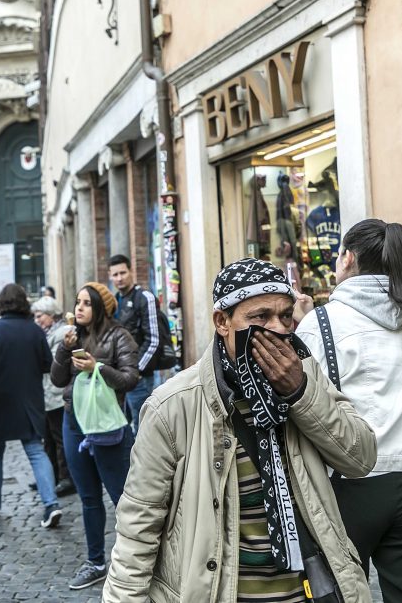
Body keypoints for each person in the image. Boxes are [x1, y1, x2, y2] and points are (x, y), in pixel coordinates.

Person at [103, 258, 377, 603]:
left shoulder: (305, 374)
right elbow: (138, 525)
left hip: (305, 591)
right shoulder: (173, 406)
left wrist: (300, 393)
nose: (277, 328)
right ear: (222, 321)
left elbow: (360, 457)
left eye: (285, 316)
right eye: (260, 317)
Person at [295, 219, 402, 602]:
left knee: (338, 593)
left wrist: (304, 325)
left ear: (347, 258)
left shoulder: (323, 323)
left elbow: (305, 401)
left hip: (350, 485)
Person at [51, 282, 139, 590]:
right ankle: (96, 561)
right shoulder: (73, 337)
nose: (79, 308)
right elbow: (57, 379)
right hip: (73, 422)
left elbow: (130, 379)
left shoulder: (119, 336)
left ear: (100, 307)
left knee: (122, 498)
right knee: (88, 497)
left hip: (106, 424)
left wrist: (97, 366)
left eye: (86, 303)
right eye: (77, 302)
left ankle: (138, 560)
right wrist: (64, 348)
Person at [0, 284, 62, 527]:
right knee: (35, 450)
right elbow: (47, 364)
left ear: (1, 304)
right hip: (29, 399)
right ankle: (51, 503)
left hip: (0, 400)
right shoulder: (34, 331)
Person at [108, 254, 168, 434]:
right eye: (115, 274)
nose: (119, 278)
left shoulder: (145, 297)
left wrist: (136, 370)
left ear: (131, 271)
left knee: (143, 431)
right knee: (122, 429)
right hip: (119, 378)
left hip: (139, 378)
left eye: (122, 273)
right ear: (110, 276)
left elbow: (154, 339)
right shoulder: (114, 301)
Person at [31, 296, 75, 496]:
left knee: (59, 438)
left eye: (40, 316)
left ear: (51, 315)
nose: (37, 320)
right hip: (47, 394)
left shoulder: (62, 332)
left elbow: (53, 362)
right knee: (48, 438)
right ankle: (50, 476)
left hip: (57, 394)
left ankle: (67, 478)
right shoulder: (48, 332)